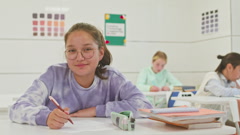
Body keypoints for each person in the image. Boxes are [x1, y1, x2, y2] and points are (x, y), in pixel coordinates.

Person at [9, 22, 153, 129]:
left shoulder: (112, 78)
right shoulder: (53, 74)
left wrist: (95, 111)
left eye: (87, 49)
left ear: (100, 53)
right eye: (72, 50)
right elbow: (17, 108)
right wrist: (46, 117)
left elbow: (145, 106)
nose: (79, 57)